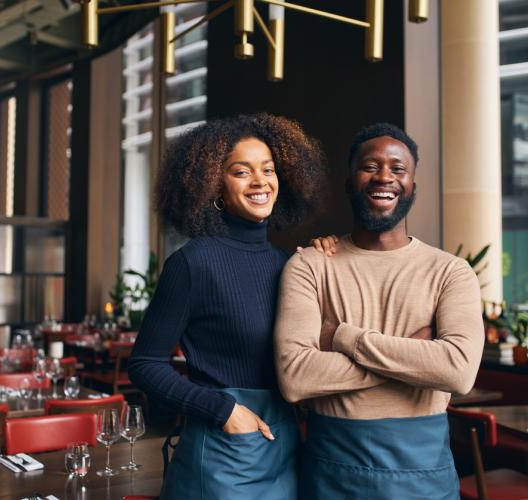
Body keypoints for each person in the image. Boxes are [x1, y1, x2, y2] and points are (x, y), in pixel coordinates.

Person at [127, 113, 332, 500]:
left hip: (285, 446)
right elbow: (145, 365)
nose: (260, 182)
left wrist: (325, 260)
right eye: (242, 172)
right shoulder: (193, 263)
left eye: (268, 170)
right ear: (214, 185)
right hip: (223, 452)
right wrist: (224, 411)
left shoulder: (289, 263)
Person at [274, 123, 484, 499]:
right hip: (333, 471)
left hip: (424, 473)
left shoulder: (451, 271)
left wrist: (342, 337)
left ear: (412, 187)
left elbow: (458, 371)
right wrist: (413, 358)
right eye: (370, 166)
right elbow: (295, 378)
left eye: (398, 168)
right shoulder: (310, 265)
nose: (384, 176)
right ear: (349, 183)